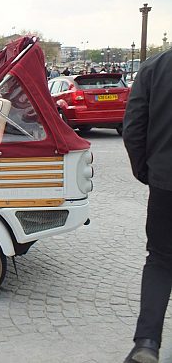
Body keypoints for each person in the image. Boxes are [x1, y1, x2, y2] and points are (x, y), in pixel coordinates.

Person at [123, 48, 172, 363]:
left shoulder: (155, 68)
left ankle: (147, 343)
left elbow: (133, 128)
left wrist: (147, 171)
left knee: (160, 261)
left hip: (166, 181)